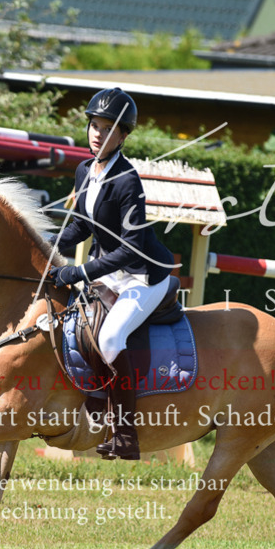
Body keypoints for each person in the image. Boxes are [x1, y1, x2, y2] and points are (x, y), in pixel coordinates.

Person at [47, 87, 175, 461]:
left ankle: (125, 434)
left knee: (110, 337)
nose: (97, 133)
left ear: (122, 135)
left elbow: (128, 248)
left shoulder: (128, 180)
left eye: (107, 128)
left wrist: (80, 270)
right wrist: (47, 247)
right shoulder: (85, 169)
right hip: (114, 273)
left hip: (144, 275)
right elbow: (80, 228)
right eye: (94, 125)